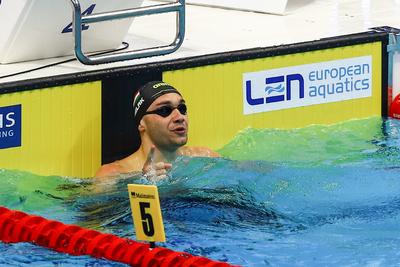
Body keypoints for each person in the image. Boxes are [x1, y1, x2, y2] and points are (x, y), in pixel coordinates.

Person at [95, 81, 220, 178]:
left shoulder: (206, 157)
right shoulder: (112, 175)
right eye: (164, 110)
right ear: (141, 123)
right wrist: (142, 184)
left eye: (182, 108)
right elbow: (93, 211)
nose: (179, 117)